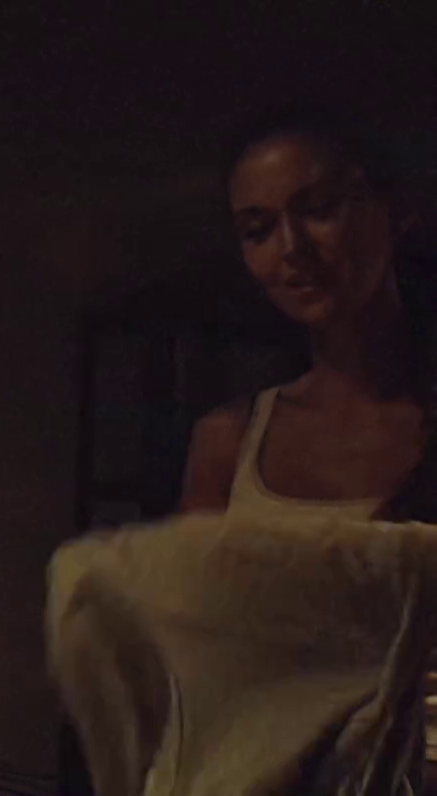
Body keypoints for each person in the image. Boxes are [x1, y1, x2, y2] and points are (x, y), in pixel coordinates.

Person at [179, 105, 437, 781]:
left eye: (318, 209)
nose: (291, 248)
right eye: (258, 230)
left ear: (395, 208)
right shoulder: (230, 442)